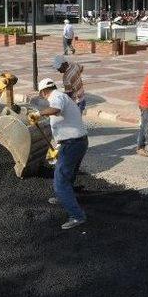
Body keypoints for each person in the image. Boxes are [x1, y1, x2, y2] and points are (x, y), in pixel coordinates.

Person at [29, 78, 88, 230]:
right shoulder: (63, 97)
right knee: (69, 174)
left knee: (60, 182)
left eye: (42, 95)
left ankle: (77, 216)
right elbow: (59, 116)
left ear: (43, 92)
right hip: (77, 142)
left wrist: (38, 113)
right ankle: (66, 197)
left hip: (72, 144)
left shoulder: (56, 97)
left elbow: (56, 110)